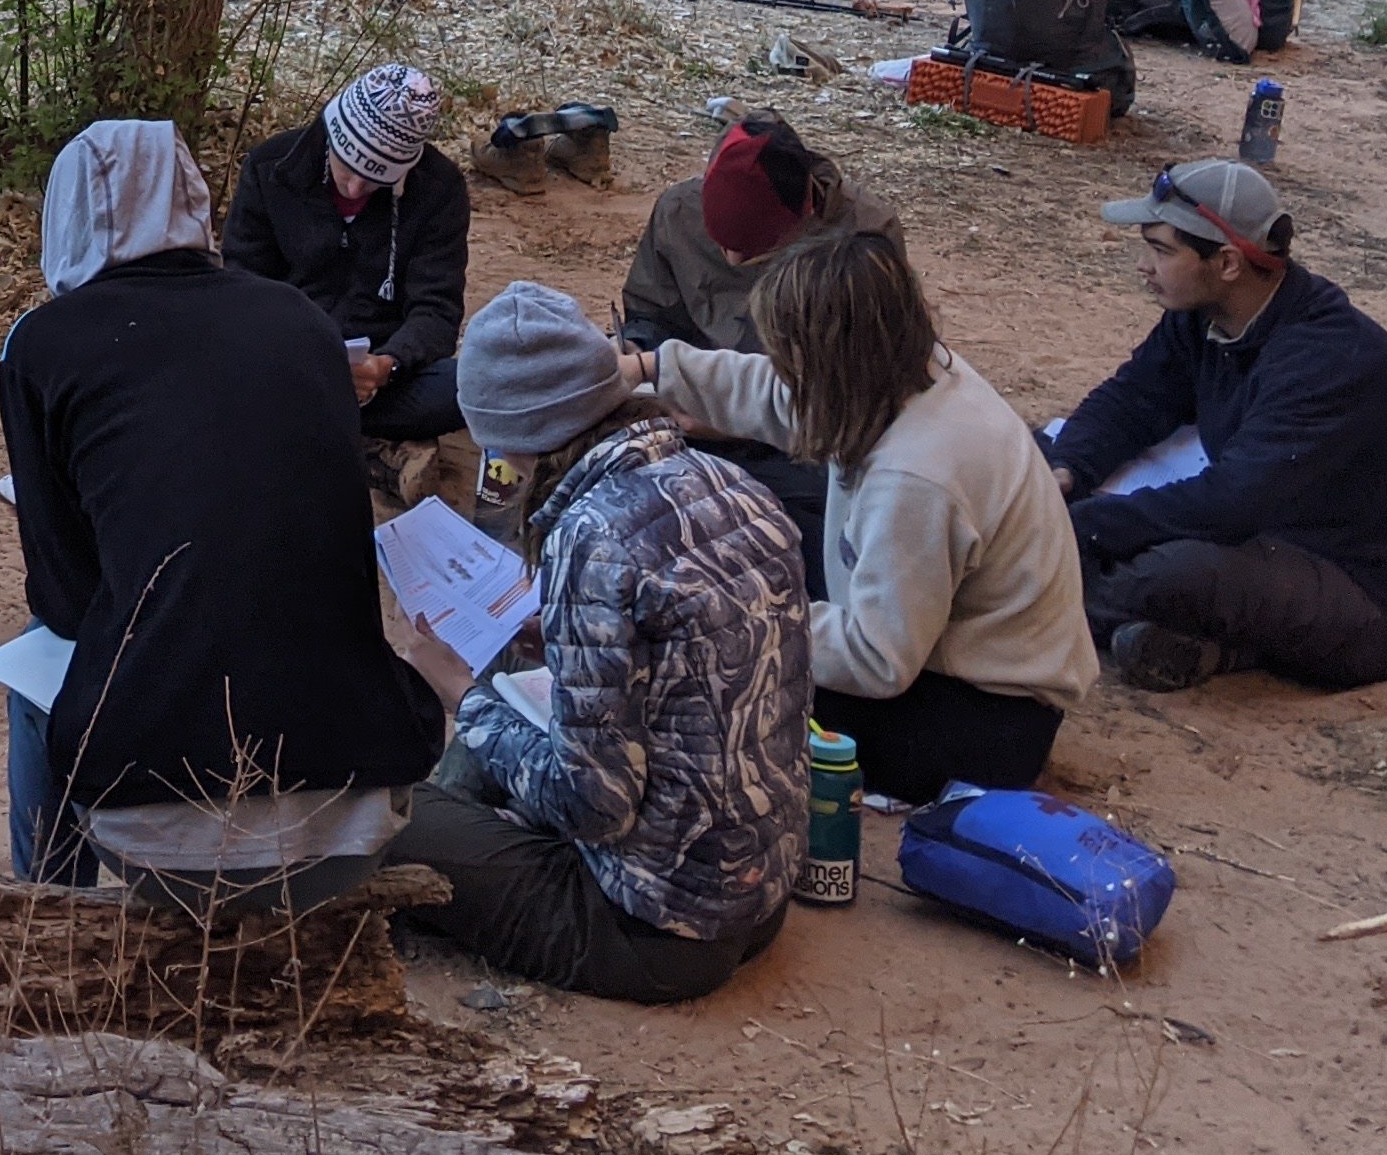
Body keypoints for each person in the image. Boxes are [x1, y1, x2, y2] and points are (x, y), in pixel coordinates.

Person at [0, 119, 443, 909]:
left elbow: (64, 602)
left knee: (34, 676)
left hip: (154, 834)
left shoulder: (41, 346)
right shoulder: (303, 324)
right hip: (361, 812)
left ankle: (49, 921)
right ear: (196, 204)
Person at [388, 282, 812, 1003]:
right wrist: (557, 636)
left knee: (385, 813)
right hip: (758, 897)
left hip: (652, 930)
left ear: (518, 437)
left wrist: (457, 692)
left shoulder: (594, 538)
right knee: (504, 704)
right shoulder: (732, 484)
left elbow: (593, 805)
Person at [633, 227, 1094, 798]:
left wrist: (739, 614)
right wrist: (650, 369)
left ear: (828, 360)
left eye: (788, 353)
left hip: (980, 720)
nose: (777, 365)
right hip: (958, 669)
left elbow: (878, 661)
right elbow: (774, 396)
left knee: (719, 683)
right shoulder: (916, 374)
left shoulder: (916, 475)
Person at [1049, 160, 1387, 692]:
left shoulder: (1325, 361)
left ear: (1227, 263)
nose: (1143, 266)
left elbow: (1231, 503)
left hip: (1371, 597)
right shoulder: (1205, 314)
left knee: (1168, 572)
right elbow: (1133, 398)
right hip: (1277, 535)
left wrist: (1083, 524)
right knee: (1033, 454)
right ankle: (1210, 647)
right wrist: (1065, 470)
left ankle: (1041, 595)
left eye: (1161, 251)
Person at [614, 111, 900, 557]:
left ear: (800, 215)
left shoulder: (863, 241)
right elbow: (652, 316)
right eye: (718, 241)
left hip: (798, 441)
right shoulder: (679, 211)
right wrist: (641, 353)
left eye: (749, 251)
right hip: (684, 419)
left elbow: (860, 396)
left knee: (818, 539)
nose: (728, 259)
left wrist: (741, 423)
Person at [221, 64, 472, 473]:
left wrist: (386, 366)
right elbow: (242, 284)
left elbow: (437, 312)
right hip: (284, 358)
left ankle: (314, 434)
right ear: (331, 137)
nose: (355, 188)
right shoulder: (272, 167)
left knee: (470, 387)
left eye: (376, 180)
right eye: (348, 167)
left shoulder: (439, 189)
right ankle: (369, 449)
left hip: (379, 372)